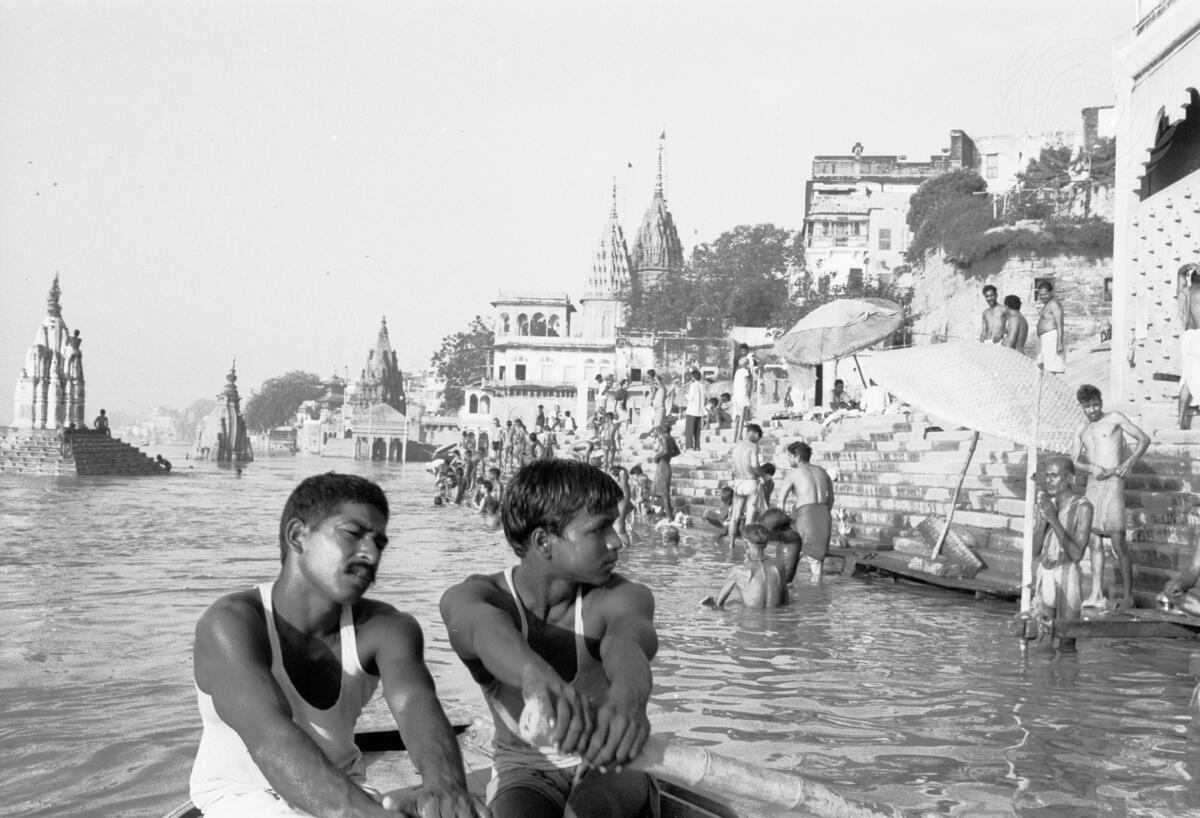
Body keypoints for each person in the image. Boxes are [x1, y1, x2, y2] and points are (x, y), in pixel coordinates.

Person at [189, 473, 481, 817]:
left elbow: (416, 705)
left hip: (348, 785)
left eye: (379, 543)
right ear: (298, 536)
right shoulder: (230, 623)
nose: (371, 554)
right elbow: (270, 737)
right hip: (241, 798)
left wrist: (446, 788)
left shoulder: (390, 628)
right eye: (352, 534)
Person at [439, 460, 658, 818]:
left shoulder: (623, 597)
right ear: (543, 541)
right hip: (521, 770)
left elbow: (627, 646)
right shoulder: (477, 597)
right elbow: (482, 627)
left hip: (614, 762)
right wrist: (535, 678)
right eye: (600, 528)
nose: (617, 541)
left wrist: (628, 700)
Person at [1073, 384, 1150, 611]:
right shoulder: (1082, 429)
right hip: (1093, 485)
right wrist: (1091, 468)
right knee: (1094, 542)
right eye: (1088, 406)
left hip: (1114, 482)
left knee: (1118, 543)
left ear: (1101, 402)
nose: (1093, 410)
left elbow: (1143, 439)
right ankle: (1096, 594)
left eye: (1095, 404)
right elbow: (1074, 459)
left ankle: (1128, 597)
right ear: (1082, 407)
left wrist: (1129, 462)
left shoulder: (1114, 418)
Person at [1031, 457, 1093, 634]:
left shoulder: (1083, 507)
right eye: (1047, 476)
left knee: (1067, 638)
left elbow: (1077, 554)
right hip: (1045, 573)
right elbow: (1034, 550)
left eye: (1054, 476)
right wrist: (1042, 521)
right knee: (1044, 638)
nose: (1048, 480)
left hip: (1067, 575)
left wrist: (1053, 519)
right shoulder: (1046, 505)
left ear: (1069, 478)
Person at [773, 441, 834, 583]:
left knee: (790, 554)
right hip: (824, 515)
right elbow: (831, 499)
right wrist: (822, 515)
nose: (788, 459)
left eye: (789, 456)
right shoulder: (822, 471)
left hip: (806, 516)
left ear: (797, 457)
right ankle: (816, 593)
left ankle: (786, 588)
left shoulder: (793, 474)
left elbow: (780, 502)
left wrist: (780, 526)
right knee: (817, 561)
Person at [711, 524, 787, 609]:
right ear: (766, 544)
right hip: (776, 617)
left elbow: (718, 604)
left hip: (749, 617)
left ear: (746, 544)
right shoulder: (779, 567)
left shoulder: (737, 571)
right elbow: (785, 603)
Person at [727, 423, 766, 551]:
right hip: (750, 483)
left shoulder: (736, 446)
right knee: (750, 520)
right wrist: (764, 475)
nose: (758, 440)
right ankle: (747, 550)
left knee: (734, 517)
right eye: (758, 437)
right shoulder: (753, 446)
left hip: (738, 483)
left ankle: (731, 546)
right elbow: (754, 465)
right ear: (754, 433)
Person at [1178, 265, 1200, 430]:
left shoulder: (1185, 292)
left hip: (1188, 336)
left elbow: (1180, 274)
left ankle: (1180, 420)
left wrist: (1187, 267)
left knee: (1187, 377)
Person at [1036, 281, 1066, 374]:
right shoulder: (1047, 304)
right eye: (1041, 295)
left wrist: (1059, 343)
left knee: (1050, 368)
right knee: (1044, 366)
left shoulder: (1054, 304)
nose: (1042, 297)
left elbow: (1060, 323)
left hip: (1052, 338)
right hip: (1046, 339)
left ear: (1051, 292)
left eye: (1045, 294)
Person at [651, 424, 678, 517]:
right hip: (666, 465)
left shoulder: (664, 437)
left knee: (664, 494)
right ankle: (665, 513)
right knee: (663, 493)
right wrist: (669, 456)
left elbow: (665, 451)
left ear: (662, 431)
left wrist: (657, 456)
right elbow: (677, 452)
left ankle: (669, 517)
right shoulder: (672, 439)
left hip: (662, 466)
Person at [732, 348, 754, 442]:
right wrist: (749, 395)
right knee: (741, 417)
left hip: (736, 396)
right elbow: (749, 384)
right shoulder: (745, 371)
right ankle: (739, 436)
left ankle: (734, 437)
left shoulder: (737, 372)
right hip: (742, 396)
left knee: (736, 417)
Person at [683, 369, 705, 451]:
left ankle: (689, 446)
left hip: (692, 411)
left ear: (693, 377)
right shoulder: (702, 386)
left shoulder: (693, 385)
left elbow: (691, 398)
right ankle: (697, 446)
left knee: (689, 430)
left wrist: (685, 394)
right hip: (699, 411)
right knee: (697, 430)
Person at [612, 465, 633, 548]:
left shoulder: (625, 489)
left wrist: (622, 474)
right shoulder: (618, 492)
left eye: (611, 476)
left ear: (618, 477)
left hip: (619, 532)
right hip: (618, 531)